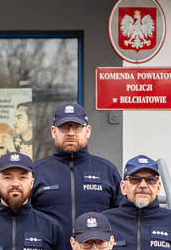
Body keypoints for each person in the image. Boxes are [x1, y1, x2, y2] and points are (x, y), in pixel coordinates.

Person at [31, 102, 121, 239]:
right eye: (64, 127)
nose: (71, 133)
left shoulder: (108, 171)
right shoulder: (36, 172)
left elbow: (121, 219)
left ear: (88, 131)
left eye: (77, 127)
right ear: (53, 132)